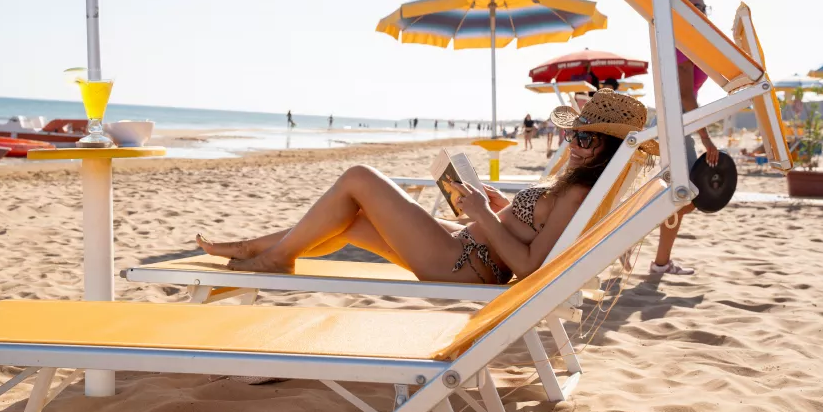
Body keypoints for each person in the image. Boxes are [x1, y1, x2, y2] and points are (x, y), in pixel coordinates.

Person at [197, 90, 657, 284]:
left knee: (359, 177)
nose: (573, 145)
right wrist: (498, 208)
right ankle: (250, 249)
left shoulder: (579, 194)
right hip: (465, 252)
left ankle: (274, 258)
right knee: (352, 223)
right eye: (572, 134)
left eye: (585, 138)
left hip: (463, 266)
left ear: (610, 148)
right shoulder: (579, 185)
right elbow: (531, 235)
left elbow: (532, 268)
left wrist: (480, 215)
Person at [647, 0, 720, 276]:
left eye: (703, 8)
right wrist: (707, 138)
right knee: (687, 195)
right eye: (694, 7)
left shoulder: (686, 42)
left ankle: (660, 262)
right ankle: (644, 248)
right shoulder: (681, 43)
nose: (700, 12)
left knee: (680, 198)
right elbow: (687, 97)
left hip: (675, 124)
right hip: (675, 125)